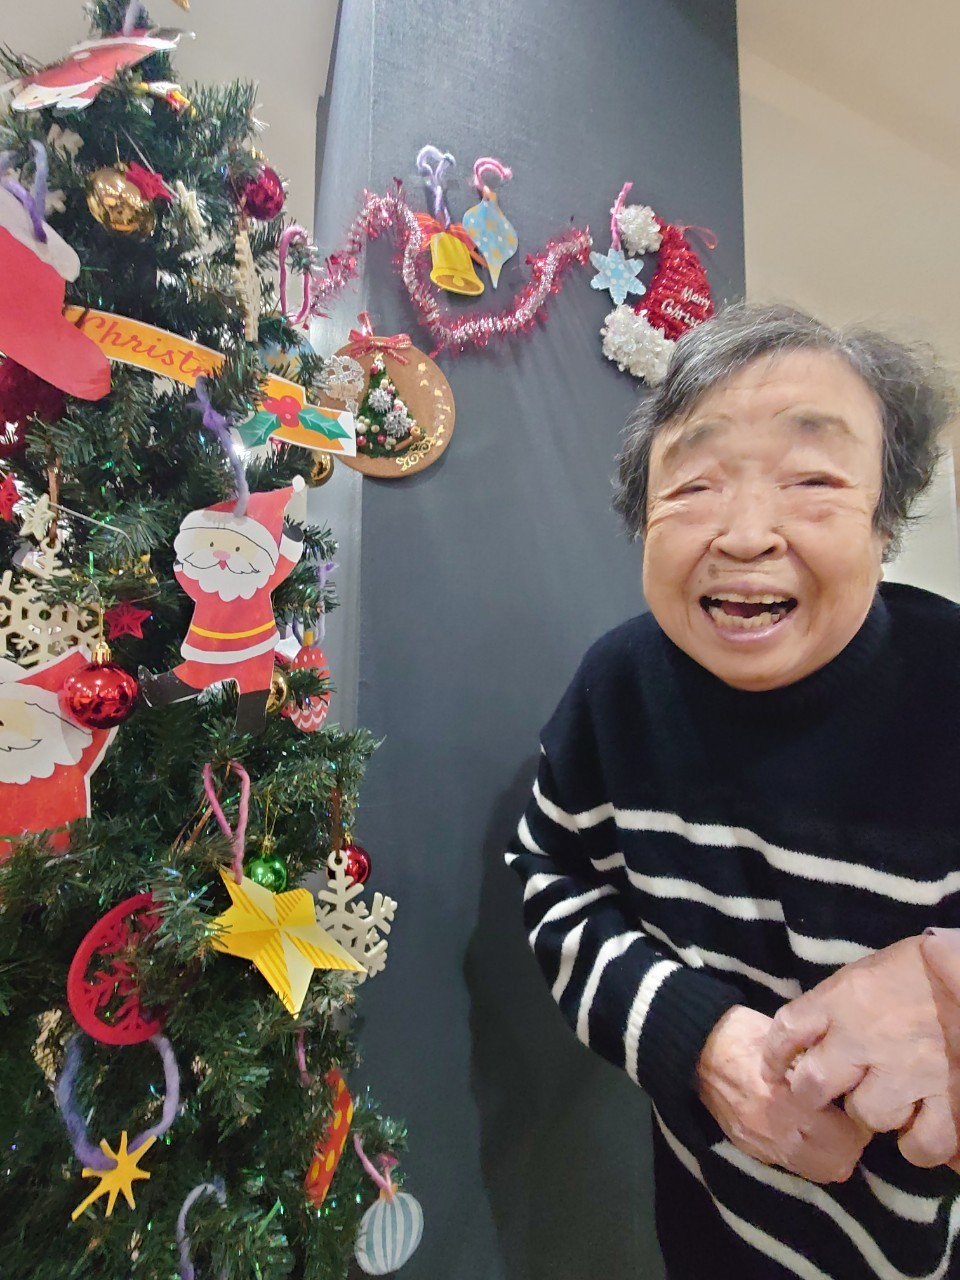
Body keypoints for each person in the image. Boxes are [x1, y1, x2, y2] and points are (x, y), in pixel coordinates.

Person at [505, 304, 960, 1279]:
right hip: (708, 1230)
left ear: (885, 518)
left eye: (813, 480)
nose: (746, 535)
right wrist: (694, 1037)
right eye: (695, 485)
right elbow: (551, 874)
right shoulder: (617, 688)